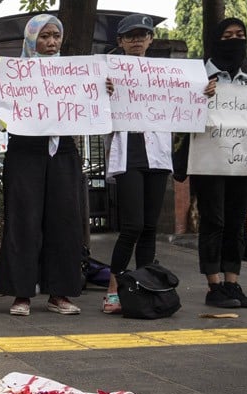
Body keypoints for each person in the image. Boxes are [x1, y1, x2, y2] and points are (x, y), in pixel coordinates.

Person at [0, 14, 84, 317]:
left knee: (65, 220)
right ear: (31, 39)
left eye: (55, 36)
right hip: (25, 150)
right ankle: (22, 293)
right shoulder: (15, 72)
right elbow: (2, 115)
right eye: (44, 36)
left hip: (63, 150)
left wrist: (102, 90)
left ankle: (59, 293)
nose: (51, 42)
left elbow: (89, 102)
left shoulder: (76, 72)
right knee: (23, 220)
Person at [101, 14, 173, 314]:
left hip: (157, 153)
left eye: (142, 35)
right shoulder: (109, 71)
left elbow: (187, 100)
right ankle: (113, 289)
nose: (136, 40)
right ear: (120, 41)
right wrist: (102, 91)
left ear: (151, 39)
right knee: (131, 226)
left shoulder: (166, 73)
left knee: (149, 227)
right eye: (130, 36)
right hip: (129, 152)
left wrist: (204, 93)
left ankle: (145, 288)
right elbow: (93, 107)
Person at [191, 18, 247, 309]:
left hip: (241, 162)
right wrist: (198, 97)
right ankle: (213, 285)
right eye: (227, 35)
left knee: (235, 220)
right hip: (208, 161)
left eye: (239, 35)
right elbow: (180, 116)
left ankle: (233, 283)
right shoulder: (197, 77)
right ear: (216, 40)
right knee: (214, 219)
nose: (234, 40)